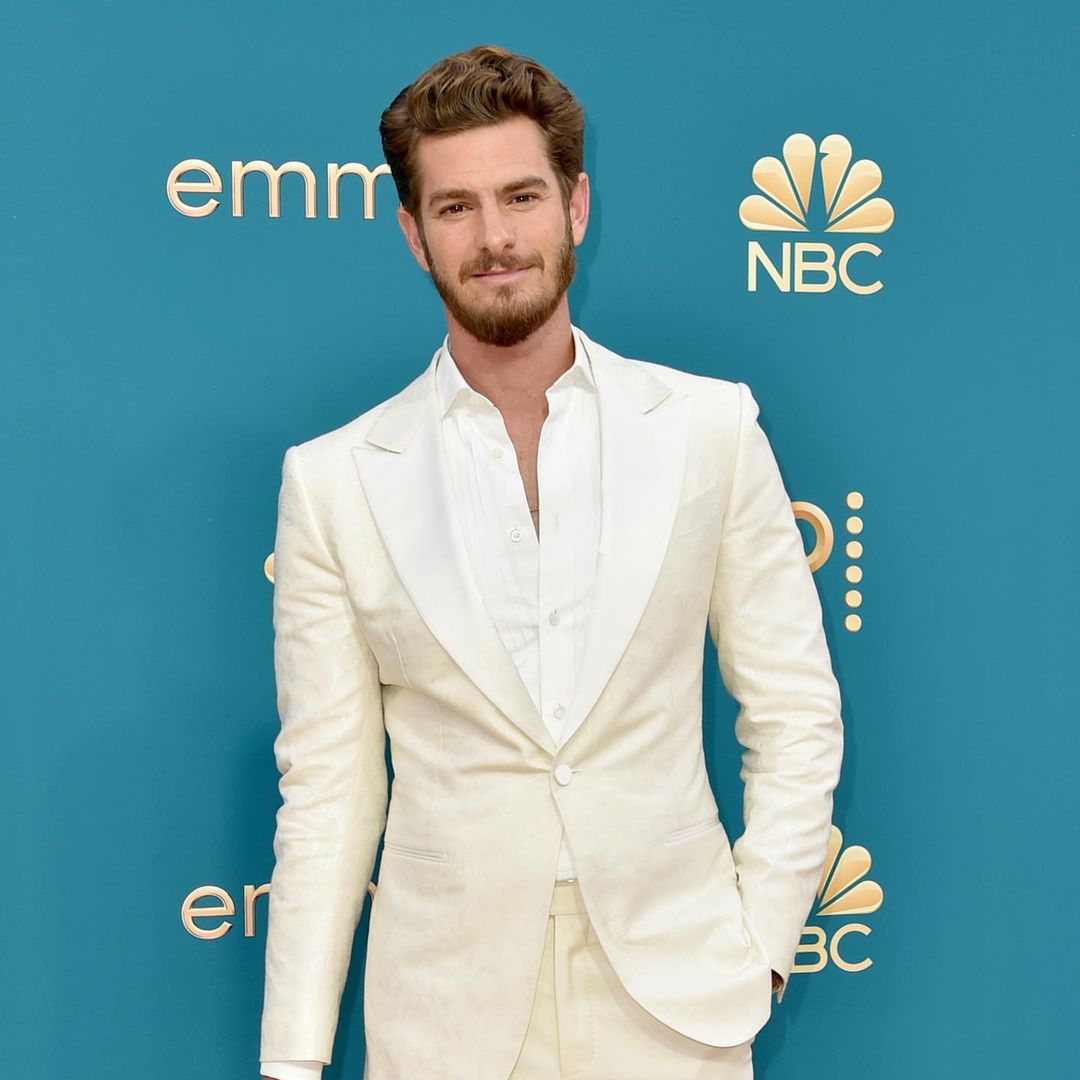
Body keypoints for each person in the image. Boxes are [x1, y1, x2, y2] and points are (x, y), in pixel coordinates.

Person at [259, 43, 843, 1080]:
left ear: (576, 207)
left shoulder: (709, 428)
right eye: (455, 208)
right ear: (411, 234)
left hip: (679, 1005)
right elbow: (330, 795)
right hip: (447, 1022)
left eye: (521, 196)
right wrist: (294, 1061)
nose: (494, 238)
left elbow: (796, 713)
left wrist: (761, 956)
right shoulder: (335, 480)